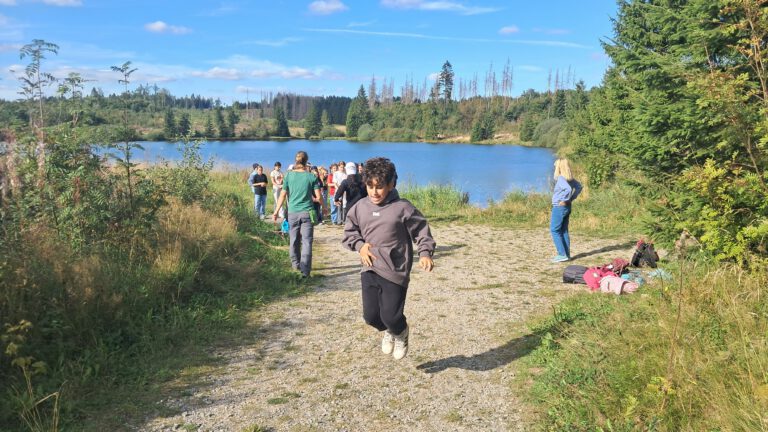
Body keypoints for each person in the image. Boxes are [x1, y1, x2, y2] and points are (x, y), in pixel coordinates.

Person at [342, 157, 436, 360]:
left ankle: (400, 332)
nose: (374, 192)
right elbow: (350, 232)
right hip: (369, 267)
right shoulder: (360, 207)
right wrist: (360, 246)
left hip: (395, 270)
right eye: (370, 186)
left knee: (391, 316)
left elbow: (421, 231)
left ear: (392, 183)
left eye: (380, 187)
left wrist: (425, 252)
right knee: (371, 317)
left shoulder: (403, 208)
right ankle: (390, 330)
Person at [273, 151, 322, 277]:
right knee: (307, 242)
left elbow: (282, 195)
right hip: (307, 213)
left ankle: (295, 266)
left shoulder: (289, 176)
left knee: (293, 240)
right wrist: (325, 207)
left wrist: (276, 211)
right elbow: (318, 196)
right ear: (306, 161)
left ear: (296, 161)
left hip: (292, 213)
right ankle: (305, 272)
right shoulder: (311, 176)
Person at [550, 158, 582, 262]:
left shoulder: (560, 178)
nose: (554, 167)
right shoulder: (569, 178)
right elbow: (579, 187)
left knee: (554, 230)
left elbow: (568, 189)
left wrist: (564, 199)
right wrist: (571, 198)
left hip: (559, 207)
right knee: (563, 230)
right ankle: (567, 255)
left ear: (559, 167)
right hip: (567, 207)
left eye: (556, 165)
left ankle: (561, 254)